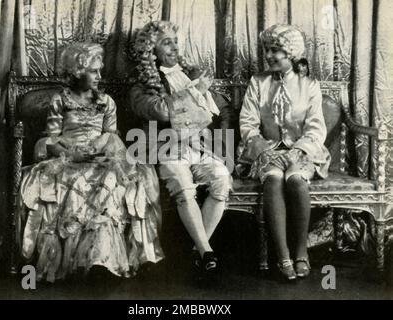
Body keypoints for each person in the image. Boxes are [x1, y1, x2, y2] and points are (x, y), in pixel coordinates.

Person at [19, 42, 164, 283]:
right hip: (69, 157)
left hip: (102, 158)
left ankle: (101, 257)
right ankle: (78, 261)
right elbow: (51, 138)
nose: (99, 76)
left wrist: (102, 151)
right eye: (94, 71)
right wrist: (72, 153)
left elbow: (111, 137)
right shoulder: (60, 100)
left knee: (112, 179)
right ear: (77, 71)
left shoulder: (106, 102)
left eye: (100, 71)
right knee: (73, 180)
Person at [128, 21, 233, 280]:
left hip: (199, 148)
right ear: (151, 51)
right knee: (183, 185)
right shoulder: (140, 86)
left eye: (175, 41)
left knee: (221, 178)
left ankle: (197, 251)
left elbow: (219, 108)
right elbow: (161, 110)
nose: (174, 47)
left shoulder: (189, 75)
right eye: (166, 42)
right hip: (165, 149)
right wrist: (195, 92)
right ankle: (207, 253)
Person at [237, 25, 331, 280]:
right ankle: (283, 255)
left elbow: (315, 126)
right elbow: (247, 123)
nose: (268, 55)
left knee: (296, 180)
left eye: (275, 50)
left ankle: (301, 252)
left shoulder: (309, 85)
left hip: (301, 150)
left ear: (290, 52)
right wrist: (263, 148)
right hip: (266, 149)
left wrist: (298, 151)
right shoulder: (258, 83)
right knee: (274, 178)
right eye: (267, 50)